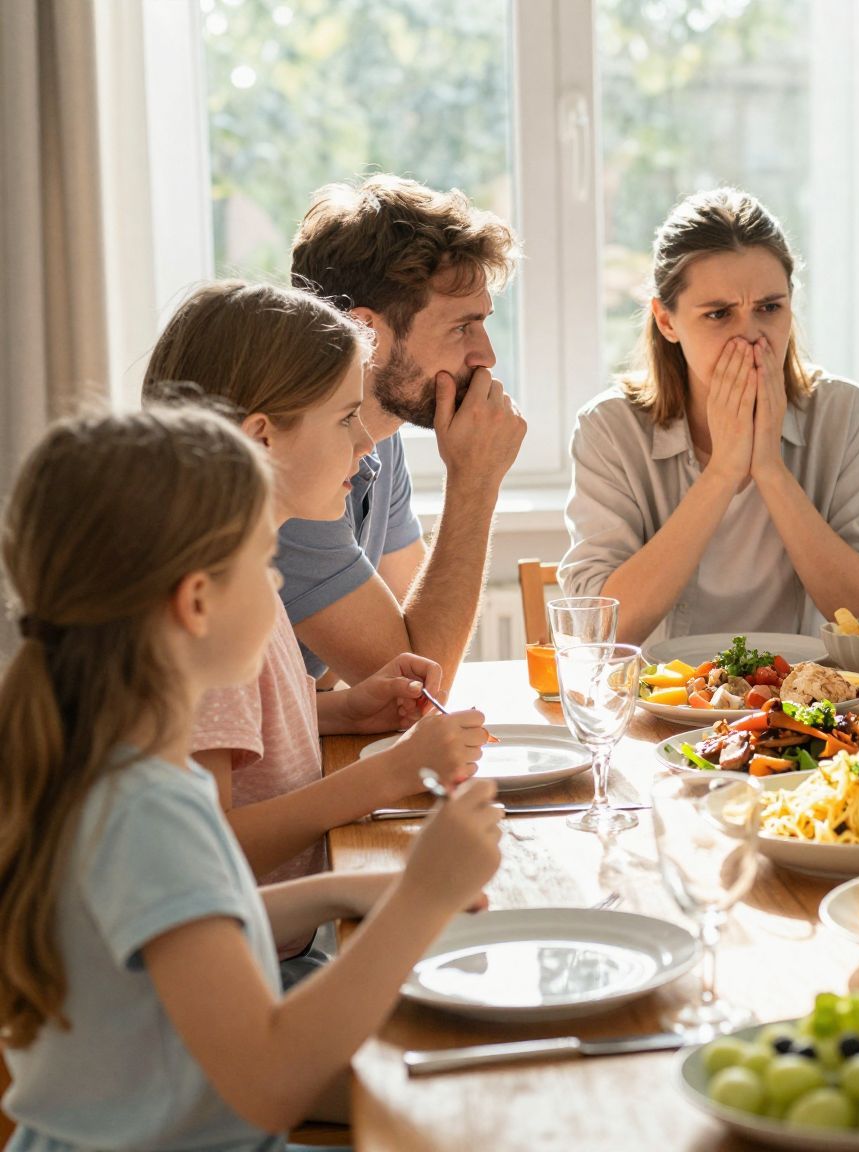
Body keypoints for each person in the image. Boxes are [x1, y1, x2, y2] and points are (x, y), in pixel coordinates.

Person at [0, 407, 502, 1149]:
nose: (276, 586)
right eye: (265, 565)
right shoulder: (145, 809)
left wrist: (335, 890)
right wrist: (421, 897)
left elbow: (182, 938)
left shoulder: (108, 765)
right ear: (196, 602)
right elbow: (270, 1081)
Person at [141, 281, 489, 976]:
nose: (366, 447)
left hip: (281, 941)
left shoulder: (244, 576)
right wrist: (390, 773)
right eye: (344, 420)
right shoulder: (207, 617)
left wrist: (336, 710)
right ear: (262, 440)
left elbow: (236, 739)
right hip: (239, 976)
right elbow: (212, 854)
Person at [561, 188, 859, 647]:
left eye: (769, 308)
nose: (751, 336)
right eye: (719, 314)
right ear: (666, 321)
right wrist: (723, 470)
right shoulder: (609, 428)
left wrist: (769, 468)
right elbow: (601, 631)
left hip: (809, 701)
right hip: (661, 705)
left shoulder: (846, 415)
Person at [282, 174, 528, 684]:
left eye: (483, 323)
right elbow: (418, 679)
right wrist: (474, 480)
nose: (486, 356)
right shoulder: (289, 458)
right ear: (363, 331)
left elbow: (414, 633)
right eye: (462, 327)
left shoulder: (381, 435)